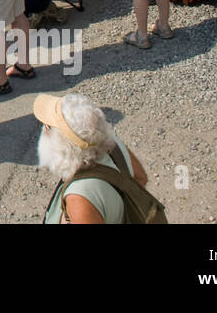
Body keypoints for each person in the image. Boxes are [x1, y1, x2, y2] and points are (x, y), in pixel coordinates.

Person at [35, 92, 151, 224]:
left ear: (64, 144)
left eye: (47, 127)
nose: (44, 132)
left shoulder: (79, 197)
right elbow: (141, 178)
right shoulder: (114, 144)